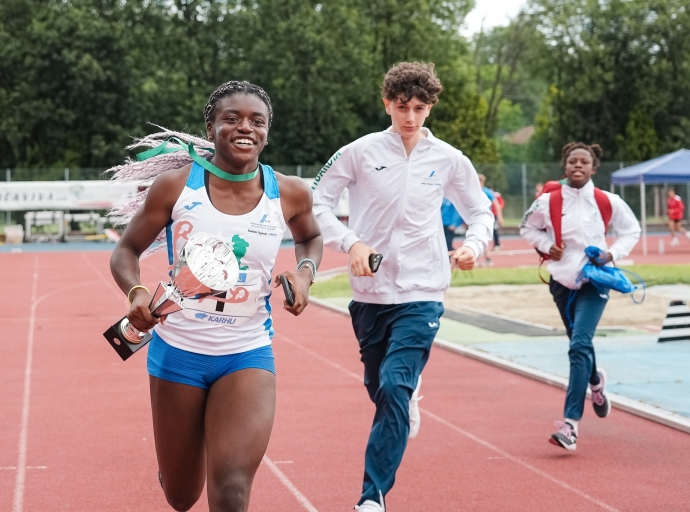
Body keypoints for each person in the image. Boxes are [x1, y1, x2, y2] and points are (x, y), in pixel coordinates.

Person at [109, 81, 323, 512]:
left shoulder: (290, 192)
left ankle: (222, 445)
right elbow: (126, 250)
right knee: (181, 495)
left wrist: (305, 273)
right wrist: (135, 292)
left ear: (267, 131)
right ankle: (181, 461)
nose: (245, 127)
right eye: (232, 118)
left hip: (247, 352)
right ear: (211, 128)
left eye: (256, 121)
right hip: (178, 353)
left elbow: (311, 238)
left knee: (230, 488)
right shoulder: (175, 188)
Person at [311, 62, 493, 511]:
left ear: (429, 108)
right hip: (370, 293)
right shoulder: (358, 151)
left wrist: (473, 245)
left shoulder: (449, 159)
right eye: (400, 106)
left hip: (424, 289)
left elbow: (480, 211)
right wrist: (349, 241)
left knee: (394, 385)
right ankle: (407, 401)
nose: (409, 117)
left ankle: (372, 497)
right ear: (386, 103)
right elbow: (318, 201)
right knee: (382, 387)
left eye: (419, 107)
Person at [520, 142, 640, 451]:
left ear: (593, 167)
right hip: (562, 281)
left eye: (584, 162)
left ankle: (570, 426)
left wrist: (610, 253)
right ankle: (596, 382)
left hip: (594, 281)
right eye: (572, 161)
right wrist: (548, 246)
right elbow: (526, 227)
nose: (578, 165)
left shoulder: (607, 200)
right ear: (565, 166)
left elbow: (632, 231)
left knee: (579, 345)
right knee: (578, 341)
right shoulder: (548, 201)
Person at [478, 174, 504, 265]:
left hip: (484, 217)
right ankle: (477, 259)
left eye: (480, 180)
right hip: (475, 218)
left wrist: (500, 217)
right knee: (476, 237)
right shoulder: (472, 191)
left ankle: (487, 259)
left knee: (483, 237)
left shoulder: (487, 191)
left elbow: (496, 204)